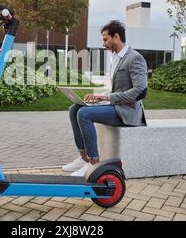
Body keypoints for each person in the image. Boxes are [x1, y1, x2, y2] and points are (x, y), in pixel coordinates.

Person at [62, 20, 148, 176]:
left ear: (116, 37)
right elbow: (118, 87)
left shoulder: (135, 58)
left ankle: (94, 163)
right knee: (74, 109)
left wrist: (105, 97)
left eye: (105, 39)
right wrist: (98, 98)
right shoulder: (115, 57)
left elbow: (140, 91)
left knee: (84, 114)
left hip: (128, 112)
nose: (103, 43)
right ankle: (83, 158)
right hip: (115, 106)